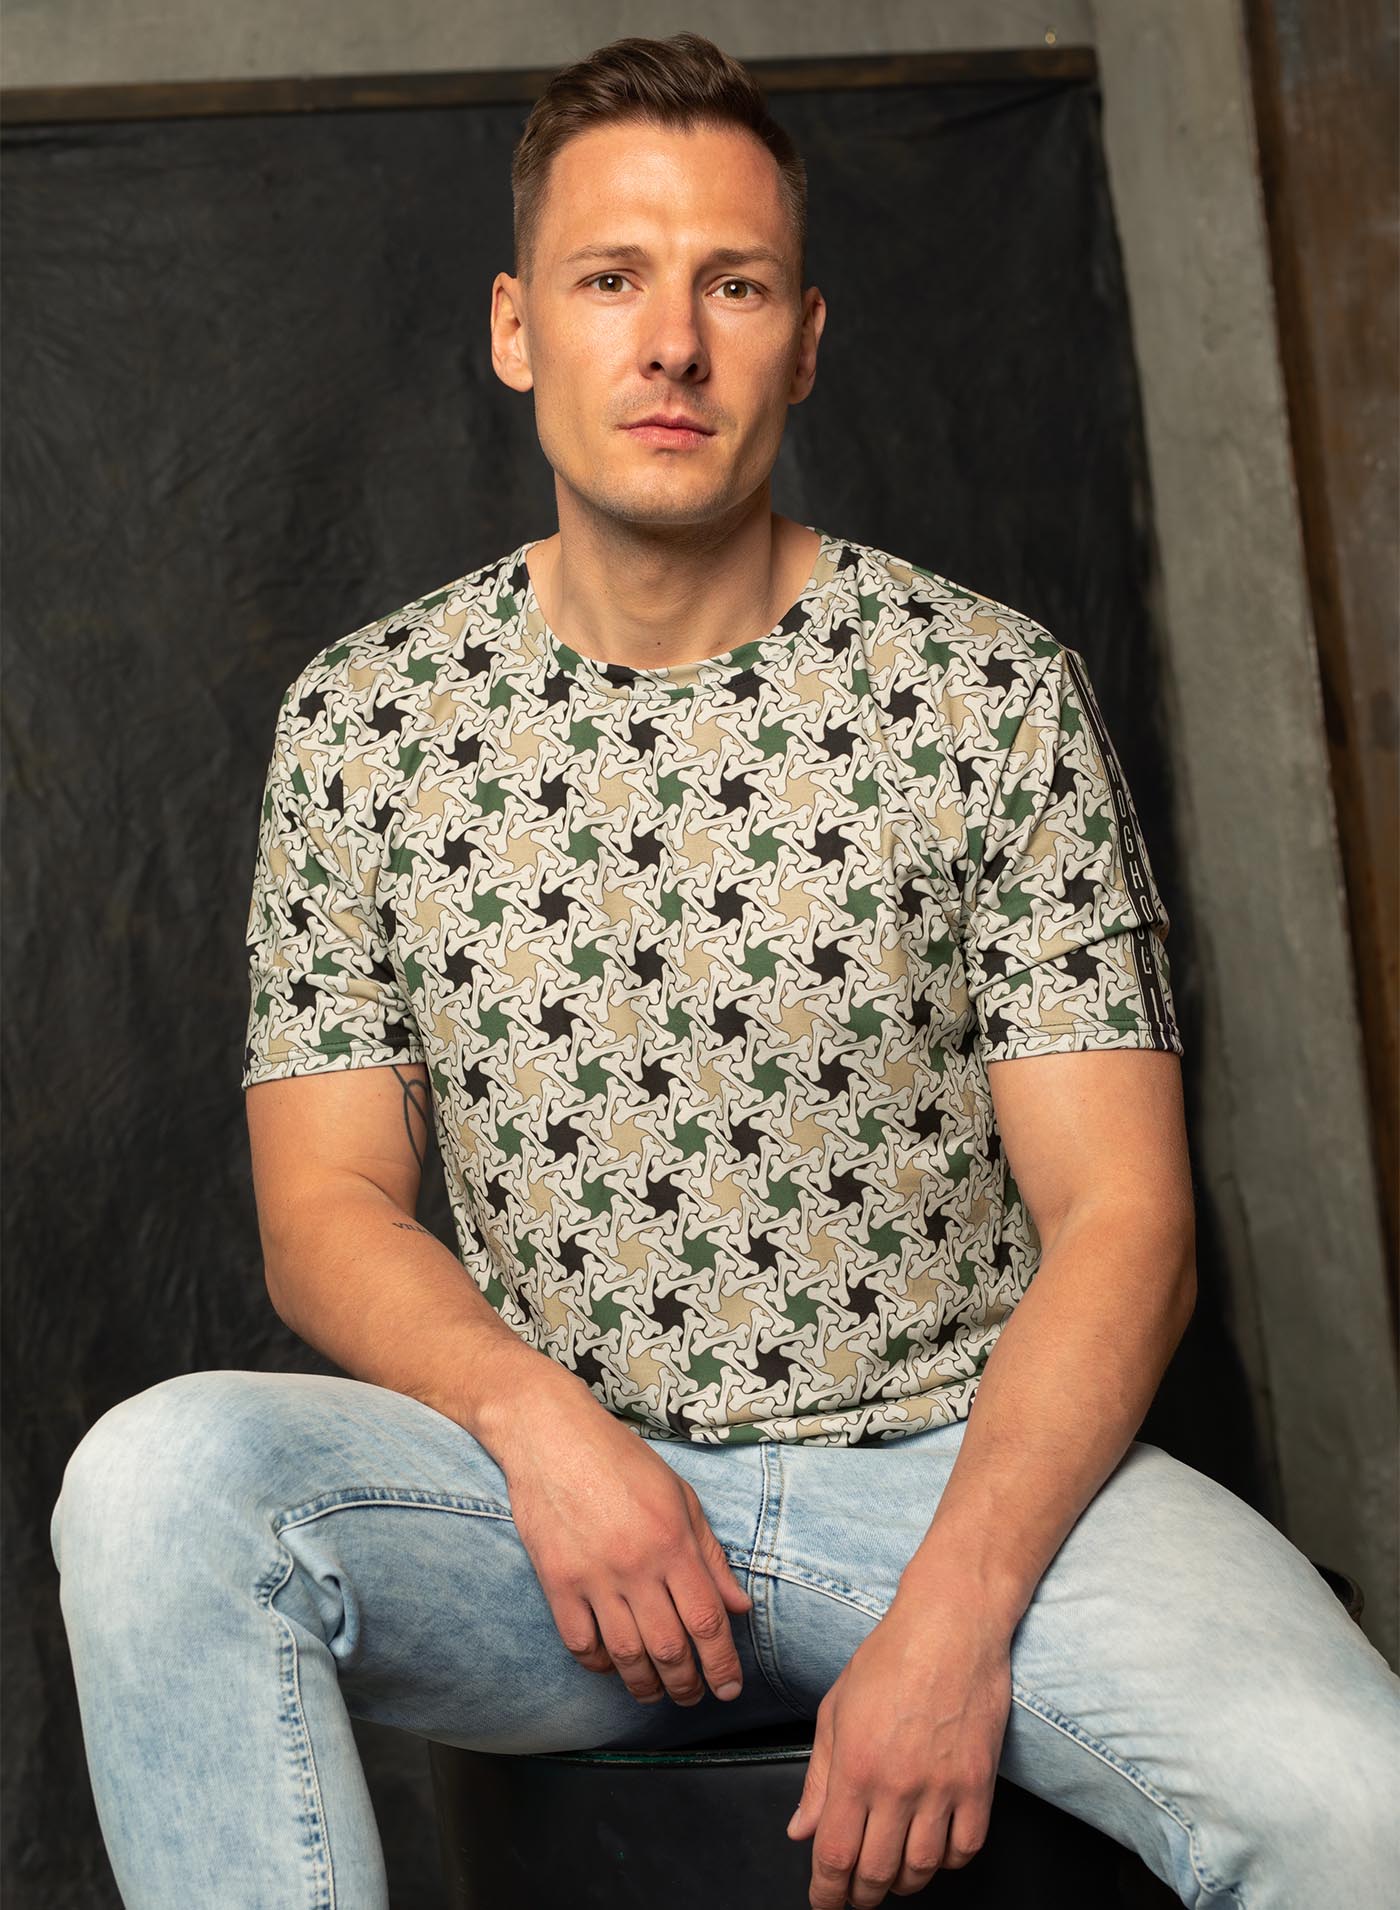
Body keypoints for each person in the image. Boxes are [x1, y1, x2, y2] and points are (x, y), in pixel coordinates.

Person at [50, 30, 1399, 1910]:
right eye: (614, 278)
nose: (671, 341)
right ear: (520, 328)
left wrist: (952, 1620)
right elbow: (325, 1206)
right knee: (154, 1489)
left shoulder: (984, 694)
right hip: (548, 1519)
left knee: (1364, 1801)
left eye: (732, 284)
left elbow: (1123, 1216)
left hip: (960, 1469)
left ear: (807, 336)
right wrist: (546, 1433)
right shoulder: (368, 722)